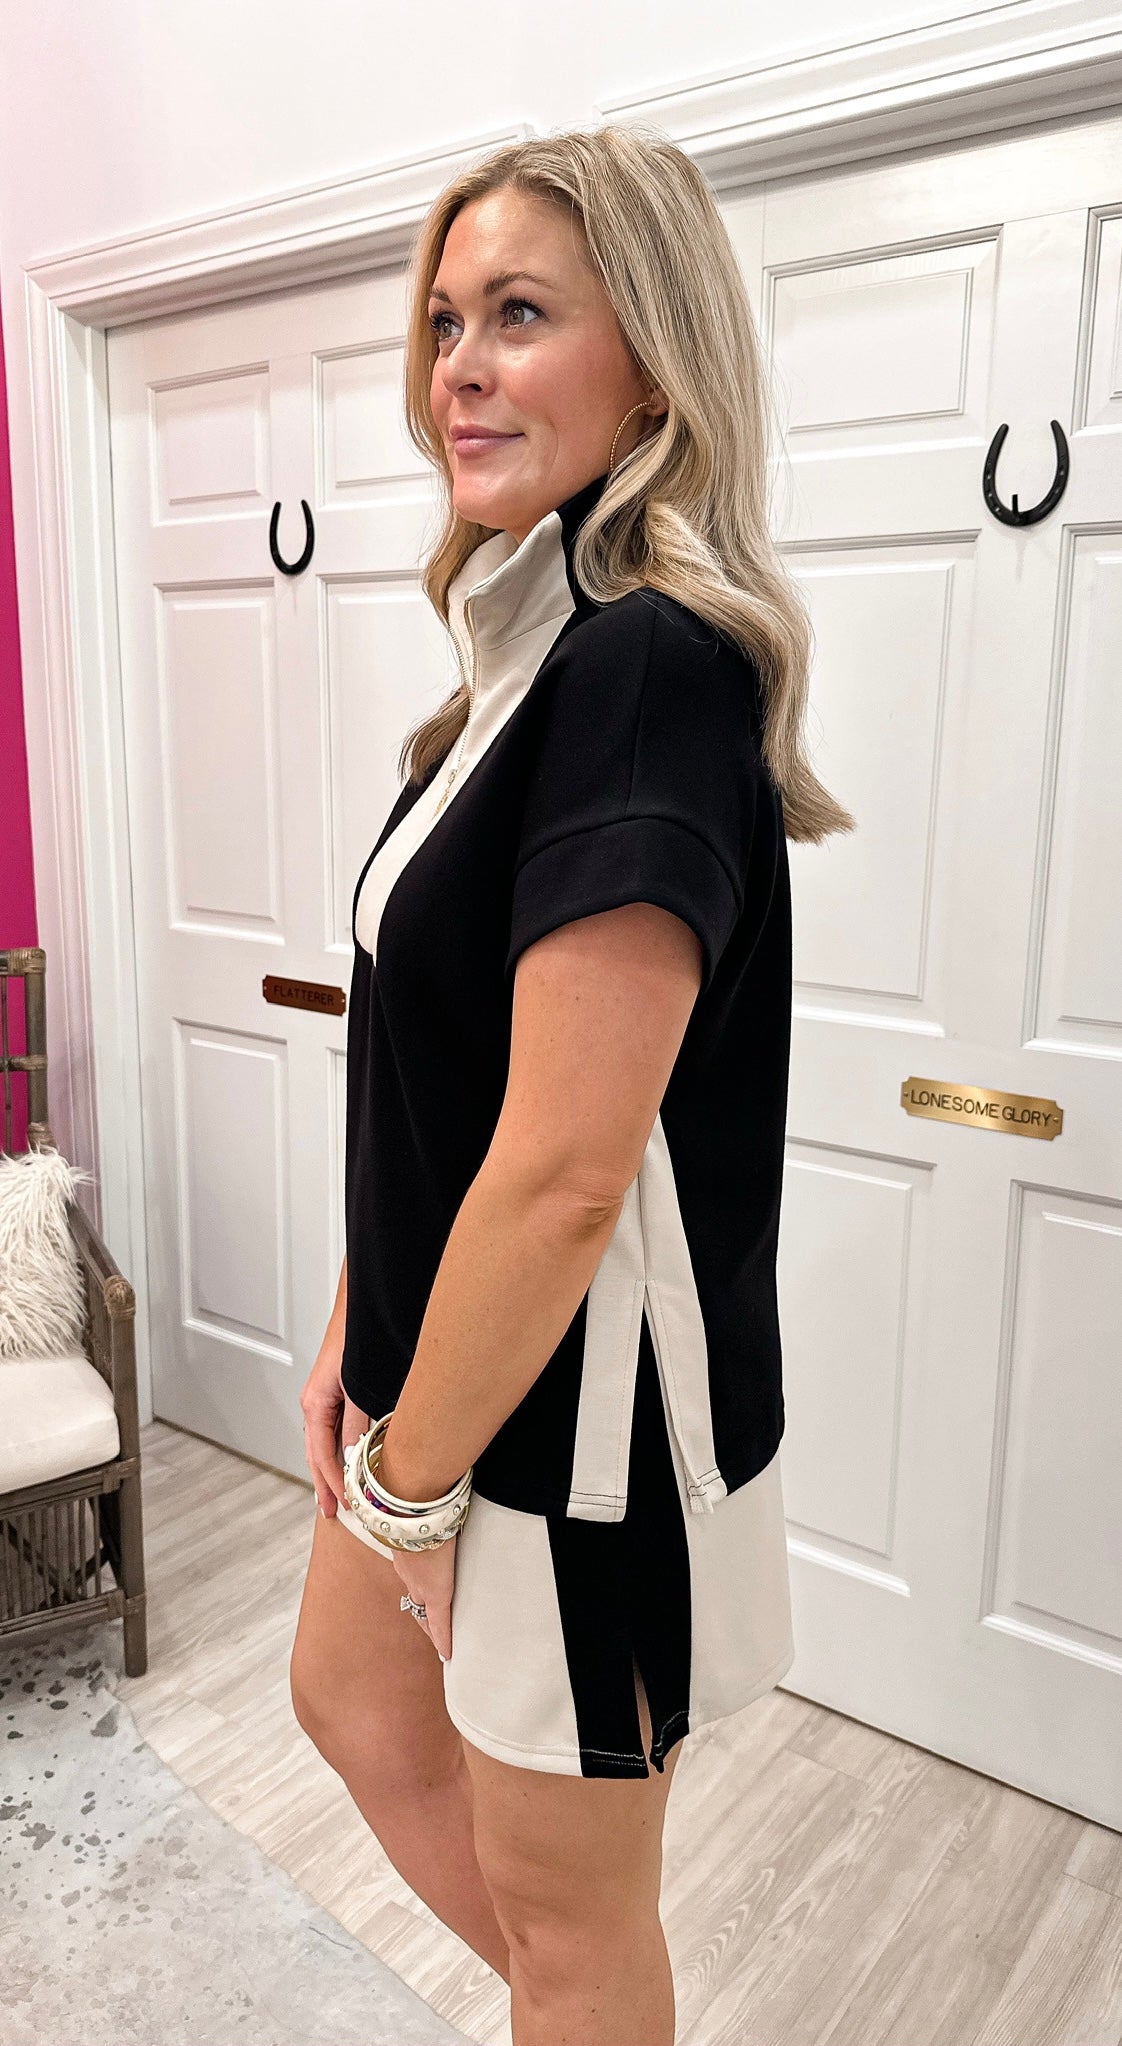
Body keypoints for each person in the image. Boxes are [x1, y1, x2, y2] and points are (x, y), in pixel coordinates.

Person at [289, 122, 854, 2046]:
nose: (458, 365)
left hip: (579, 1438)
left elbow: (563, 1172)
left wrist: (409, 1488)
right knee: (353, 1705)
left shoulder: (650, 669)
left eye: (519, 314)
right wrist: (359, 1330)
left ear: (656, 365)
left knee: (573, 1920)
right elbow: (435, 1071)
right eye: (445, 320)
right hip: (441, 1379)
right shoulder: (515, 669)